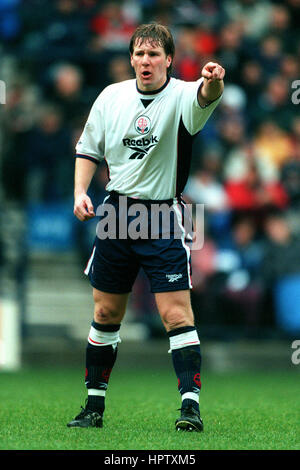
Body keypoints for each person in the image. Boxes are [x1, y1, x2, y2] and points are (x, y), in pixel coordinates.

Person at [67, 23, 224, 432]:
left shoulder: (185, 94)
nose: (145, 61)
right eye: (139, 53)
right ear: (131, 57)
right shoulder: (110, 97)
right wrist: (80, 192)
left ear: (169, 59)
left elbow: (207, 97)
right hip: (117, 213)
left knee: (176, 315)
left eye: (154, 54)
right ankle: (93, 407)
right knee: (105, 311)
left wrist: (212, 82)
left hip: (161, 216)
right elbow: (88, 148)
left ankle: (190, 408)